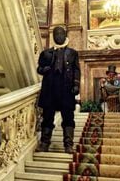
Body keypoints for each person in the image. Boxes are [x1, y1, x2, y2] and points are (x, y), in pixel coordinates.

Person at [36, 26, 81, 154]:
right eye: (56, 34)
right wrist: (43, 70)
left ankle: (68, 145)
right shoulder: (46, 53)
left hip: (66, 90)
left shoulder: (72, 53)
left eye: (61, 33)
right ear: (53, 36)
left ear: (65, 35)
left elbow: (76, 70)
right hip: (50, 89)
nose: (59, 36)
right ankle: (44, 143)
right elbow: (39, 68)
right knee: (47, 117)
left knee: (68, 118)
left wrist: (76, 84)